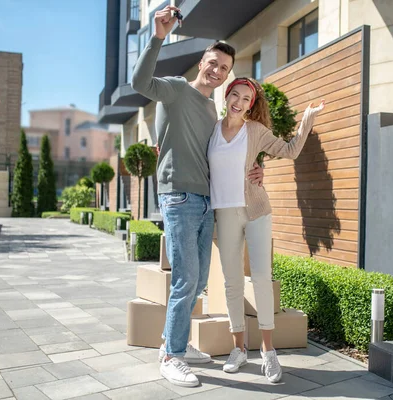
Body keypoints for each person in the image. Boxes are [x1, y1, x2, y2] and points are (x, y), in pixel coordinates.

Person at [131, 6, 264, 388]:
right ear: (201, 63)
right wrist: (158, 36)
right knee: (186, 279)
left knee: (199, 277)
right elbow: (141, 81)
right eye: (212, 63)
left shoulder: (213, 109)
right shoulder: (175, 89)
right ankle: (171, 355)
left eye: (224, 68)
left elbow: (224, 154)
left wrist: (256, 168)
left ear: (227, 75)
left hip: (207, 201)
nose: (216, 71)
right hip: (179, 198)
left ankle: (176, 343)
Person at [208, 77, 325, 383]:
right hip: (224, 213)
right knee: (232, 282)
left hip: (257, 210)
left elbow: (289, 150)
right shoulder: (211, 130)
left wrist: (307, 120)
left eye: (246, 98)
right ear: (226, 96)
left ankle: (268, 352)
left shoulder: (255, 131)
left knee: (260, 278)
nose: (239, 102)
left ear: (252, 104)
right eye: (235, 94)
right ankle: (239, 349)